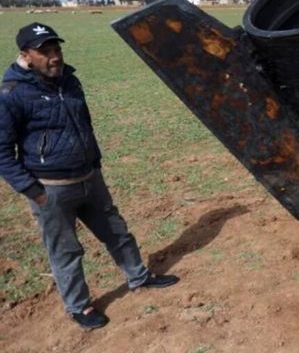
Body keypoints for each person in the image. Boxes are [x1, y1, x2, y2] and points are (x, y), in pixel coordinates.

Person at [0, 22, 179, 330]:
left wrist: (94, 163)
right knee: (66, 250)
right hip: (50, 189)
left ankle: (139, 277)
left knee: (117, 232)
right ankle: (78, 307)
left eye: (56, 48)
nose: (55, 56)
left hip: (89, 178)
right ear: (26, 56)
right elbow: (2, 151)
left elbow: (85, 124)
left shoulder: (69, 81)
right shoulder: (12, 94)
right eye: (45, 52)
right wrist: (33, 190)